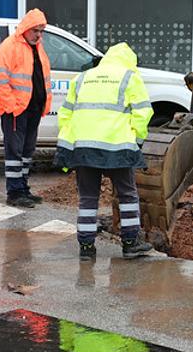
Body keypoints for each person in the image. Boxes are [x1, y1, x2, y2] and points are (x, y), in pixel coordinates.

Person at [55, 42, 154, 261]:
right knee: (127, 194)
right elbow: (143, 113)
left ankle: (86, 248)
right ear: (130, 62)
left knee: (88, 198)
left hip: (83, 147)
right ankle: (130, 243)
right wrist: (136, 142)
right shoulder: (129, 77)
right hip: (117, 147)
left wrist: (70, 144)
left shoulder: (82, 78)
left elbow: (65, 115)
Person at [0, 9, 53, 208]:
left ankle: (23, 188)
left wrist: (44, 103)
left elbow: (43, 78)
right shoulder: (9, 47)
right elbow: (0, 81)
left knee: (27, 150)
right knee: (14, 151)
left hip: (33, 108)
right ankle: (14, 192)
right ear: (26, 29)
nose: (39, 35)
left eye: (41, 31)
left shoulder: (37, 48)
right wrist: (11, 107)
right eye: (36, 30)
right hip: (16, 110)